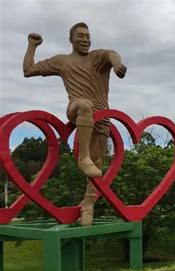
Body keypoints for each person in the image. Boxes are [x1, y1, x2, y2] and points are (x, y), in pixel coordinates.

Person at [23, 22, 127, 226]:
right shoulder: (62, 61)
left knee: (97, 166)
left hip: (101, 118)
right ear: (71, 40)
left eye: (88, 36)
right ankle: (83, 157)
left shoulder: (97, 58)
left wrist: (116, 65)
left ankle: (88, 205)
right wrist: (32, 46)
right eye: (80, 36)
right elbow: (28, 70)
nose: (85, 39)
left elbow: (112, 54)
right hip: (76, 108)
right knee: (84, 106)